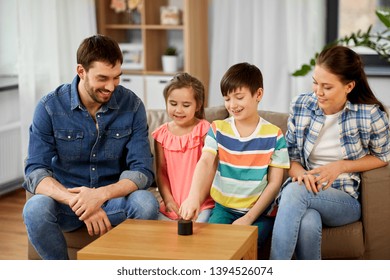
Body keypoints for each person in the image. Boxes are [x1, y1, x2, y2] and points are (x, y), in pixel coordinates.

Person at [22, 34, 159, 260]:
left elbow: (142, 170)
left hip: (112, 200)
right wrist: (79, 202)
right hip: (66, 203)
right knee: (35, 208)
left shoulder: (132, 105)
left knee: (145, 203)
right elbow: (35, 172)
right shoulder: (49, 107)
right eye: (103, 78)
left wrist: (99, 195)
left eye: (116, 77)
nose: (111, 86)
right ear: (81, 71)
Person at [270, 45, 390, 260]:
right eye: (315, 82)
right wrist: (301, 175)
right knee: (308, 221)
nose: (318, 92)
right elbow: (291, 156)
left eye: (327, 86)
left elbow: (383, 156)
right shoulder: (301, 105)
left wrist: (341, 166)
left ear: (349, 86)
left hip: (344, 200)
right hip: (306, 189)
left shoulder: (370, 115)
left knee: (294, 192)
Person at [179, 62, 290, 247]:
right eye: (227, 98)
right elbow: (205, 162)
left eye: (239, 97)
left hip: (259, 213)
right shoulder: (217, 129)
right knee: (211, 246)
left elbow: (274, 183)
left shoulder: (275, 135)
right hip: (224, 208)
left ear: (258, 94)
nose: (232, 105)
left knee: (242, 246)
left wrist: (249, 218)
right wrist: (193, 196)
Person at [152, 73, 214, 222]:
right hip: (172, 206)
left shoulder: (205, 130)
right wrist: (168, 200)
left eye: (186, 105)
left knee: (196, 231)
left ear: (198, 105)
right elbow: (161, 172)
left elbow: (210, 169)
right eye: (173, 104)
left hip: (201, 204)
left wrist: (196, 201)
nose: (179, 110)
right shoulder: (161, 135)